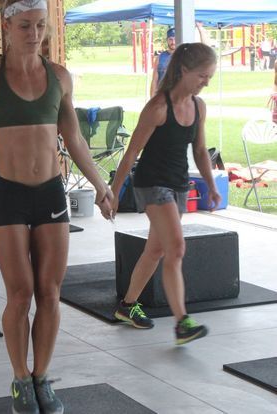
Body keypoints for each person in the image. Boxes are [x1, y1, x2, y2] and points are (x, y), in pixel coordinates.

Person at [0, 1, 113, 413]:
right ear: (7, 26)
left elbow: (75, 140)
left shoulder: (59, 77)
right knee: (20, 291)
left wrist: (101, 186)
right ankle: (19, 379)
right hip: (8, 194)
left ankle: (42, 377)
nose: (34, 33)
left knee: (49, 292)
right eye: (25, 25)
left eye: (41, 26)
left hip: (50, 193)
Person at [110, 43, 221, 346]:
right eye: (202, 76)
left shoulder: (199, 107)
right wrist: (114, 192)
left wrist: (210, 185)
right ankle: (181, 322)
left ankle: (126, 306)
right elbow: (132, 151)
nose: (206, 82)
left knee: (156, 250)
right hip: (152, 183)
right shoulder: (158, 107)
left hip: (178, 184)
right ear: (184, 70)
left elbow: (199, 150)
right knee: (177, 249)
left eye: (209, 77)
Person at [150, 23, 209, 97]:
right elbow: (154, 80)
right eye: (170, 39)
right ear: (167, 40)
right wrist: (152, 100)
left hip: (180, 97)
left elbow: (206, 52)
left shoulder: (185, 56)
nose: (173, 42)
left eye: (175, 39)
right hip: (163, 97)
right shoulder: (160, 57)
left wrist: (201, 30)